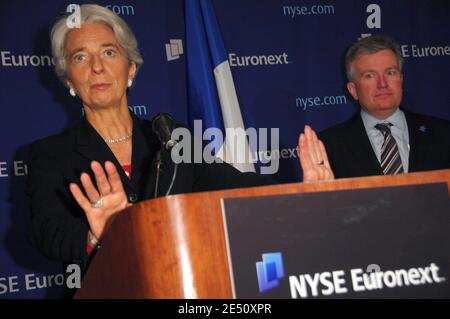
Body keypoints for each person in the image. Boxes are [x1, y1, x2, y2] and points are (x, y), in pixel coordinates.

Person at [27, 4, 331, 284]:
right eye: (80, 57)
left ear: (131, 68)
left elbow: (238, 188)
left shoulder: (173, 139)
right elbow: (47, 233)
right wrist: (97, 234)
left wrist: (301, 194)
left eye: (109, 52)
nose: (96, 67)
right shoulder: (51, 154)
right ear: (68, 79)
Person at [318, 35, 450, 179]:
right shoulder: (329, 145)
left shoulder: (443, 134)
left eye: (390, 73)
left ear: (401, 80)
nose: (382, 84)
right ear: (353, 90)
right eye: (370, 75)